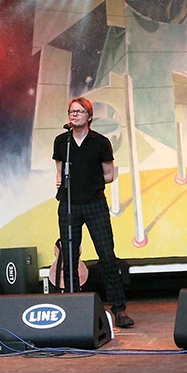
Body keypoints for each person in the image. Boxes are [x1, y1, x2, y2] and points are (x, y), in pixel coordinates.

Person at [53, 97, 134, 328]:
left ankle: (119, 309)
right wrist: (61, 182)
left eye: (79, 111)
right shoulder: (62, 142)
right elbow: (59, 171)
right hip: (69, 204)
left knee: (107, 255)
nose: (74, 115)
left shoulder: (100, 142)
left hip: (95, 203)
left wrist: (89, 181)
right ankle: (72, 307)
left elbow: (109, 174)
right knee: (69, 256)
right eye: (71, 111)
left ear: (89, 116)